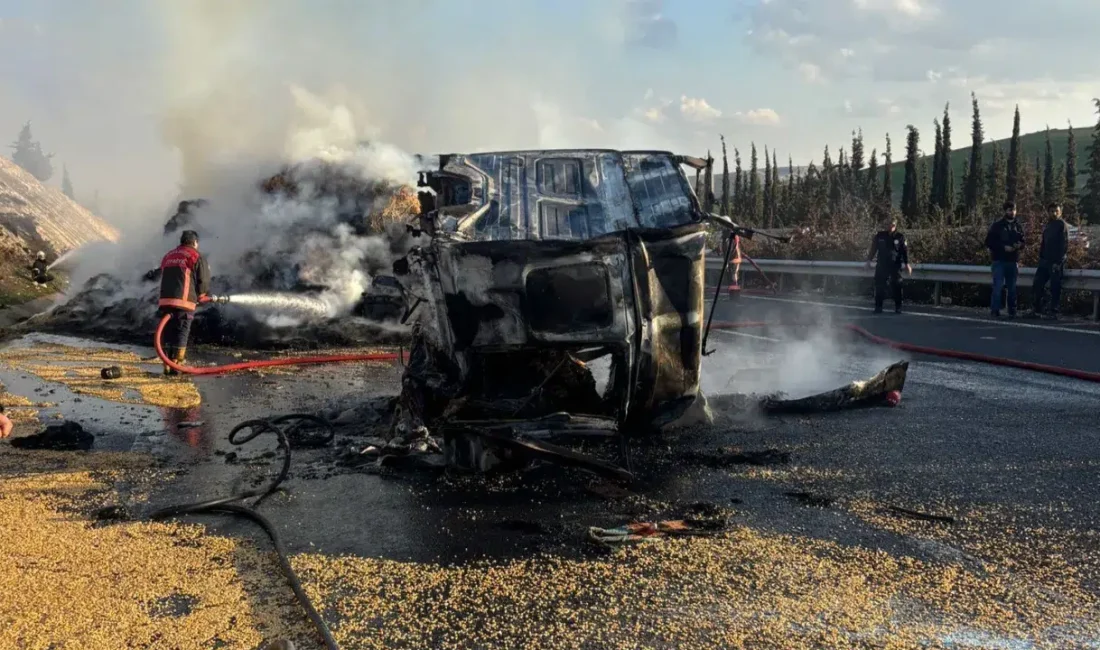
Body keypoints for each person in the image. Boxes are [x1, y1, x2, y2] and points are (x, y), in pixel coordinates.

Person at [158, 230, 211, 375]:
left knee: (168, 331)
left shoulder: (169, 255)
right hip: (183, 301)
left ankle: (167, 364)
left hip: (165, 300)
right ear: (195, 242)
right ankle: (178, 364)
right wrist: (202, 294)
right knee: (182, 330)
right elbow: (203, 280)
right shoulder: (195, 255)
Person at [985, 201, 1025, 319]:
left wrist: (1019, 245)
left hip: (1013, 261)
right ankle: (995, 310)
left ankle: (1012, 311)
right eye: (1009, 210)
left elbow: (1023, 241)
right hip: (999, 260)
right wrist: (1003, 247)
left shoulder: (1018, 226)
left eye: (1013, 210)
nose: (1011, 212)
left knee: (1012, 287)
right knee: (998, 286)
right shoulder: (997, 226)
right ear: (1005, 211)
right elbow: (989, 242)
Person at [1030, 202, 1069, 320]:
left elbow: (1064, 244)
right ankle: (1037, 309)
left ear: (1060, 212)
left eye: (1056, 211)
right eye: (1052, 211)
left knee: (1055, 286)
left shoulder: (1061, 225)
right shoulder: (1048, 225)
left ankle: (1054, 310)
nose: (1054, 213)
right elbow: (1044, 243)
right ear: (1048, 212)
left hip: (1056, 261)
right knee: (1037, 283)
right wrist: (1041, 256)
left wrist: (1059, 261)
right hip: (1045, 260)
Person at [865, 217, 912, 313]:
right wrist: (868, 261)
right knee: (879, 286)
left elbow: (904, 251)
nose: (891, 226)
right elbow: (873, 249)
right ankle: (878, 307)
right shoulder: (880, 236)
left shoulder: (900, 237)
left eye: (893, 225)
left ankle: (898, 307)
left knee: (897, 285)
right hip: (882, 265)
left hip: (895, 265)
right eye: (889, 224)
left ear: (895, 226)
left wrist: (907, 264)